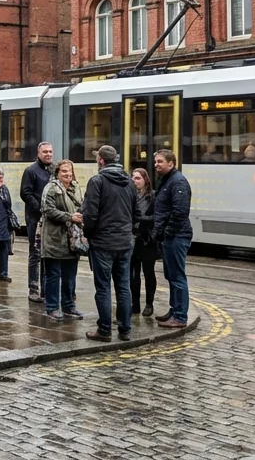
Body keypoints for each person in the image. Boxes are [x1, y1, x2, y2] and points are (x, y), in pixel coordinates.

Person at [81, 145, 138, 343]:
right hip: (124, 242)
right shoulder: (129, 182)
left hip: (103, 243)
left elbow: (90, 214)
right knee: (123, 287)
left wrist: (88, 234)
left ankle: (104, 330)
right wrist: (129, 233)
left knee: (103, 287)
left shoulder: (97, 181)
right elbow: (136, 213)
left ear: (101, 161)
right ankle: (125, 329)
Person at [39, 160, 84, 321]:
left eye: (70, 171)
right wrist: (69, 217)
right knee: (53, 275)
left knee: (70, 276)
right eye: (64, 171)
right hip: (54, 239)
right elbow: (46, 209)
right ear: (57, 173)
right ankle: (52, 307)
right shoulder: (51, 188)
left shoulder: (76, 187)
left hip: (72, 240)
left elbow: (81, 206)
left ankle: (69, 306)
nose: (68, 174)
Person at [153, 149, 192, 329]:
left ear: (171, 163)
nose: (156, 165)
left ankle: (180, 316)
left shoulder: (178, 182)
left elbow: (180, 212)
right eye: (156, 162)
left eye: (160, 162)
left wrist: (167, 232)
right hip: (169, 236)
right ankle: (174, 309)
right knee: (171, 276)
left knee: (177, 276)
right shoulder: (167, 180)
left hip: (176, 236)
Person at [19, 142, 53, 302]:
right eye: (45, 151)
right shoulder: (31, 171)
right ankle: (33, 289)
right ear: (38, 153)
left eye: (50, 152)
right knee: (35, 253)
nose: (48, 154)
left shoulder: (53, 170)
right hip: (35, 219)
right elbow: (25, 193)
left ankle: (46, 289)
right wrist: (40, 208)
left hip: (50, 219)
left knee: (48, 254)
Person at [130, 167, 157, 317]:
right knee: (133, 274)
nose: (134, 181)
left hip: (147, 240)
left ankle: (149, 303)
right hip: (132, 239)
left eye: (138, 178)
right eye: (133, 178)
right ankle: (135, 303)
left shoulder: (153, 196)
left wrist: (140, 219)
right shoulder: (130, 196)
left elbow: (156, 217)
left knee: (148, 273)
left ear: (145, 180)